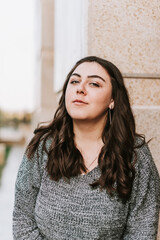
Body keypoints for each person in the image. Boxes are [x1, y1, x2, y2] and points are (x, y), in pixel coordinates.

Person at [13, 56, 160, 240]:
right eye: (74, 81)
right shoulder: (43, 147)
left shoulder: (135, 156)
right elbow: (22, 220)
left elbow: (142, 232)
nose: (80, 89)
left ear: (112, 100)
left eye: (94, 84)